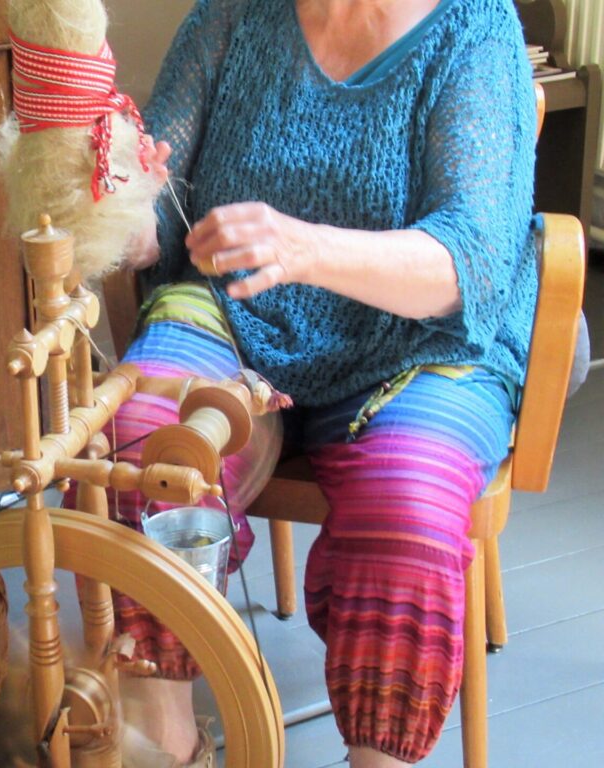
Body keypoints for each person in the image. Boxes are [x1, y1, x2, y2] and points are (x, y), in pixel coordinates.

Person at [101, 0, 538, 766]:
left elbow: (469, 262)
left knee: (409, 506)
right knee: (144, 439)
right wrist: (114, 206)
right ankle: (168, 741)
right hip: (238, 320)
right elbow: (158, 214)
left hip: (414, 341)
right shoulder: (231, 18)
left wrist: (300, 246)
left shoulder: (474, 26)